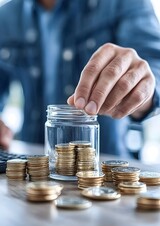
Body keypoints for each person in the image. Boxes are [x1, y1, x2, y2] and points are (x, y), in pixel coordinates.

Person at [0, 0, 160, 158]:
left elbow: (154, 72)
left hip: (106, 169)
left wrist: (142, 89)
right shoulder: (6, 16)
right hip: (34, 169)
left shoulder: (124, 3)